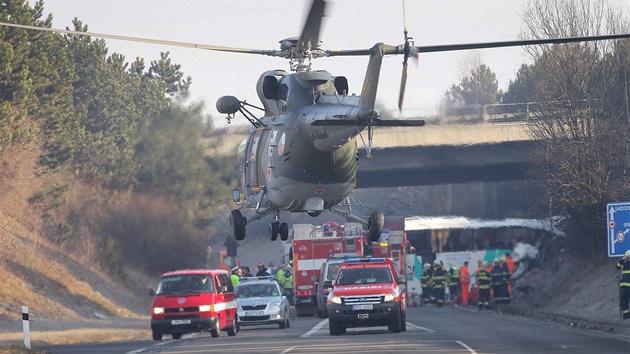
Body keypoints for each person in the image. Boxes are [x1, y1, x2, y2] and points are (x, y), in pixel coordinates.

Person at [617, 250, 630, 320]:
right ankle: (626, 315)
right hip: (624, 286)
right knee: (623, 301)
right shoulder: (624, 264)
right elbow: (617, 267)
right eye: (628, 257)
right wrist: (621, 260)